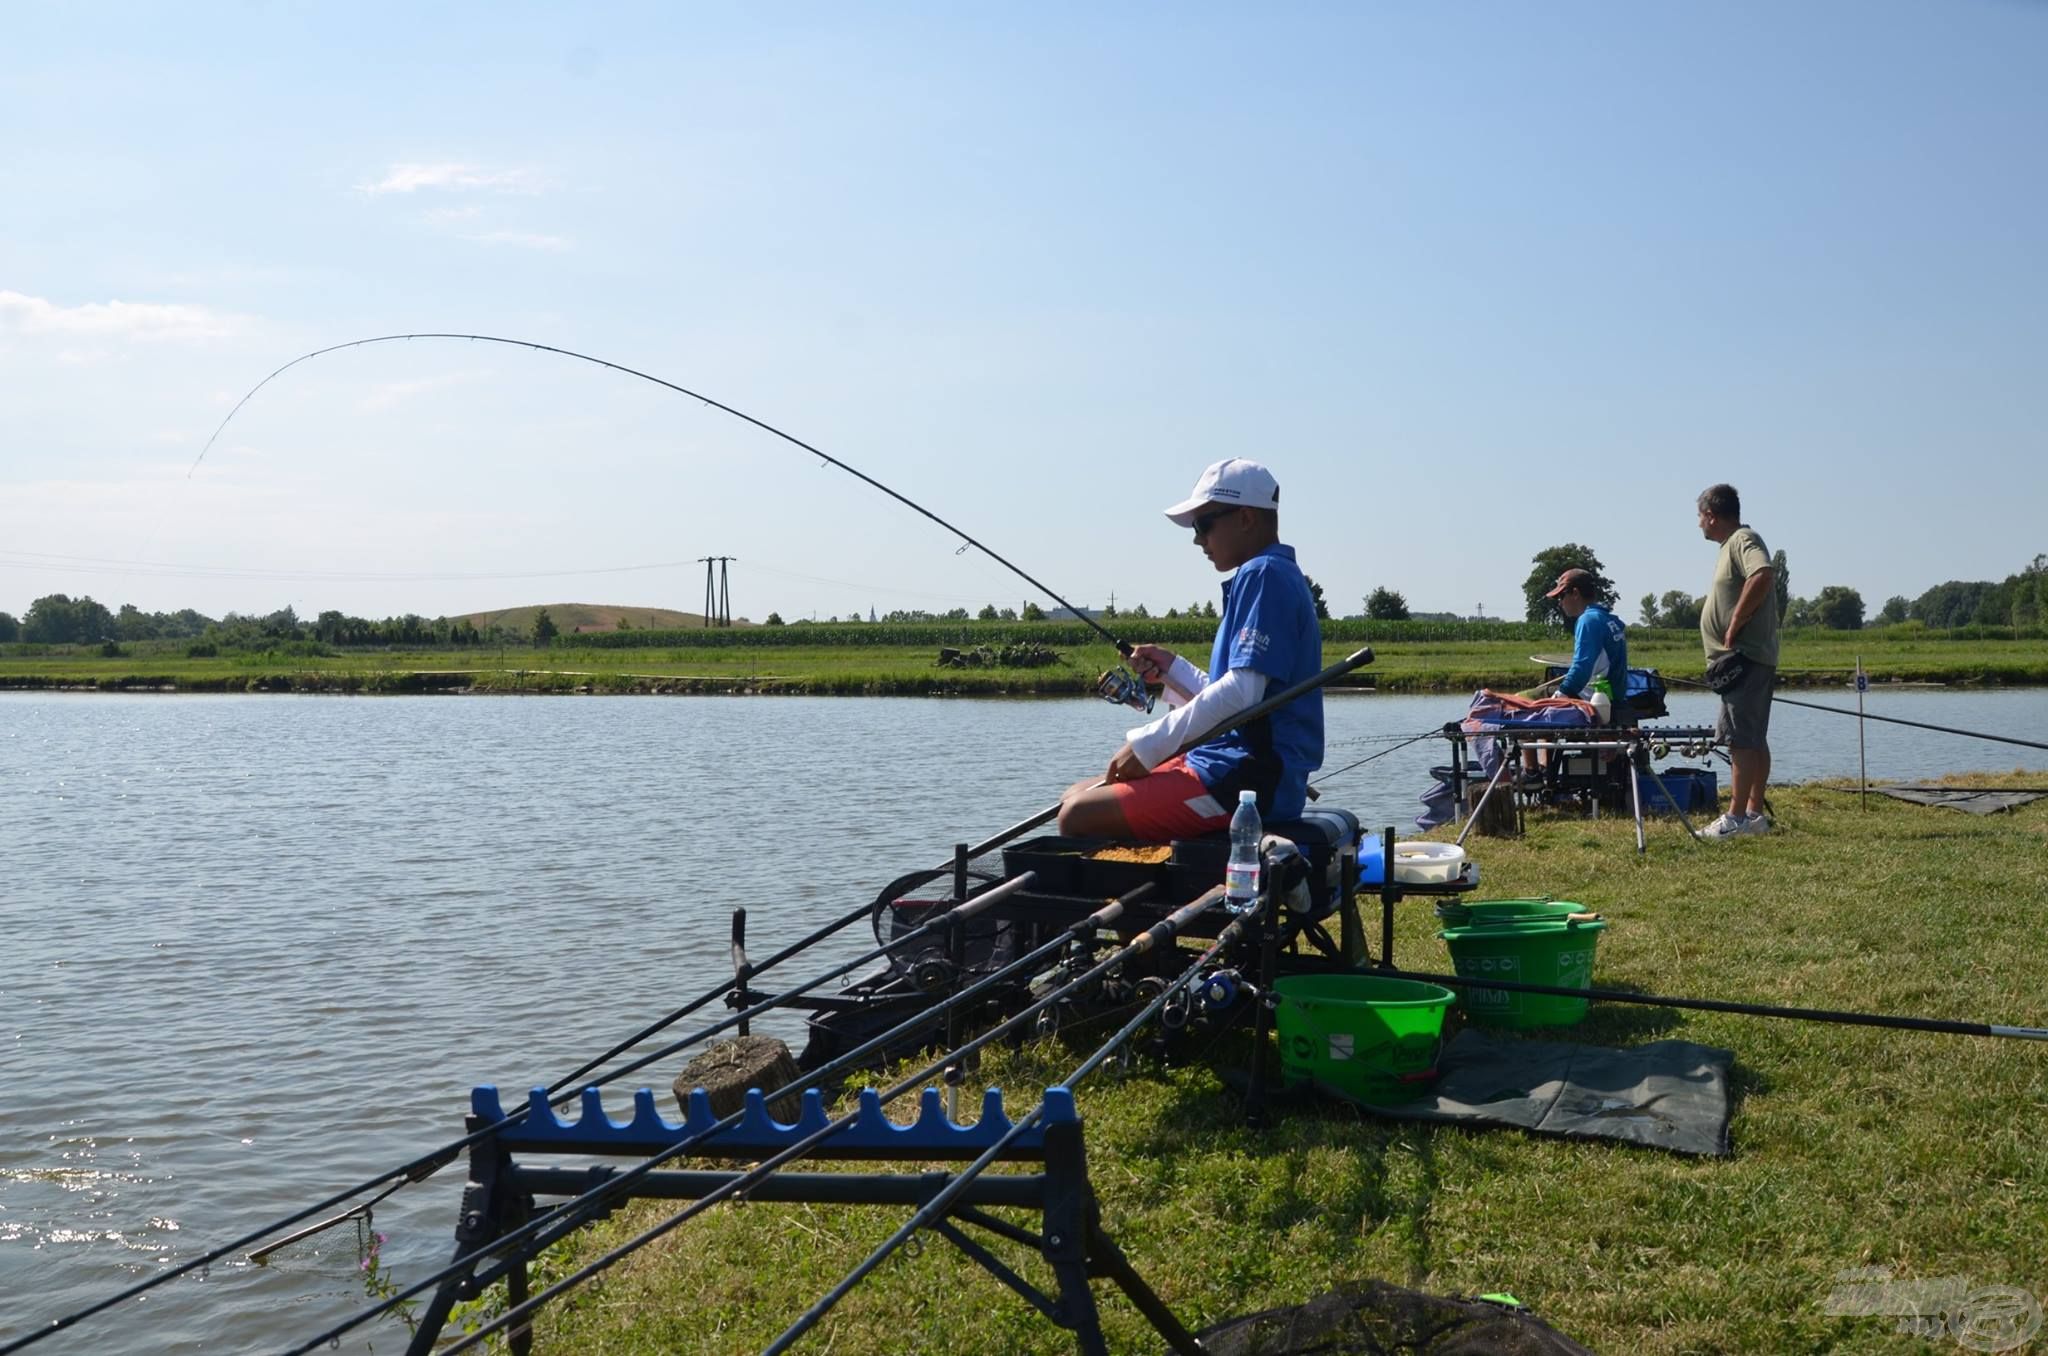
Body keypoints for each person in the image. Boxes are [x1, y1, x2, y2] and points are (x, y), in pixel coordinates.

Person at [1057, 458, 1324, 842]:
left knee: (1078, 816)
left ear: (1246, 518)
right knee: (1074, 796)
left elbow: (1242, 692)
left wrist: (1149, 744)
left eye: (1204, 525)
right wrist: (1172, 669)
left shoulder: (1264, 574)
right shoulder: (1269, 574)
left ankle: (1156, 898)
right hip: (1227, 766)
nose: (1198, 539)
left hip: (1246, 780)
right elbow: (1244, 699)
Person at [1695, 483, 1779, 839]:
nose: (1699, 524)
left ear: (1712, 515)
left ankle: (1736, 819)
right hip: (1747, 659)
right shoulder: (1732, 545)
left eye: (1700, 517)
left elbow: (1762, 574)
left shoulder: (1743, 540)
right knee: (1753, 737)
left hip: (1743, 658)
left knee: (1739, 740)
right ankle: (1755, 815)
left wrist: (1735, 623)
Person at [1544, 567, 1629, 718]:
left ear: (1575, 593)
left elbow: (1582, 667)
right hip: (1614, 699)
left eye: (1561, 596)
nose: (1560, 603)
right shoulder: (1609, 619)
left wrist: (1561, 694)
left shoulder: (1588, 620)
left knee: (1528, 700)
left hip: (1593, 701)